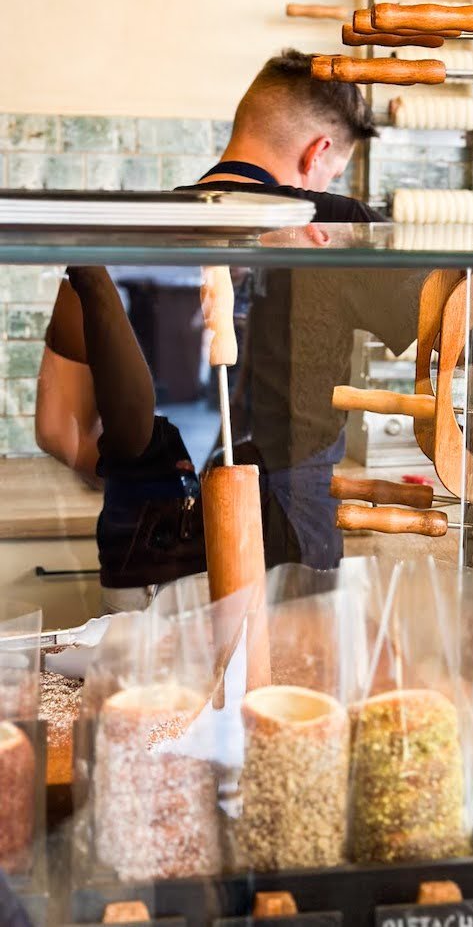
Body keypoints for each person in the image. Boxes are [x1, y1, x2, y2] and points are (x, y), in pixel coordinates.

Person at [178, 49, 424, 570]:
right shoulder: (337, 227)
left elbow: (59, 430)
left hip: (156, 520)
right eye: (331, 174)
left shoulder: (135, 226)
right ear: (318, 153)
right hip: (293, 515)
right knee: (301, 652)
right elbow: (461, 323)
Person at [35, 267, 206, 611]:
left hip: (158, 543)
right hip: (164, 553)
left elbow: (55, 431)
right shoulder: (85, 279)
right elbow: (58, 432)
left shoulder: (83, 278)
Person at [191, 48, 380, 221]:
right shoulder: (349, 220)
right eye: (334, 176)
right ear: (317, 154)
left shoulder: (163, 213)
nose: (326, 190)